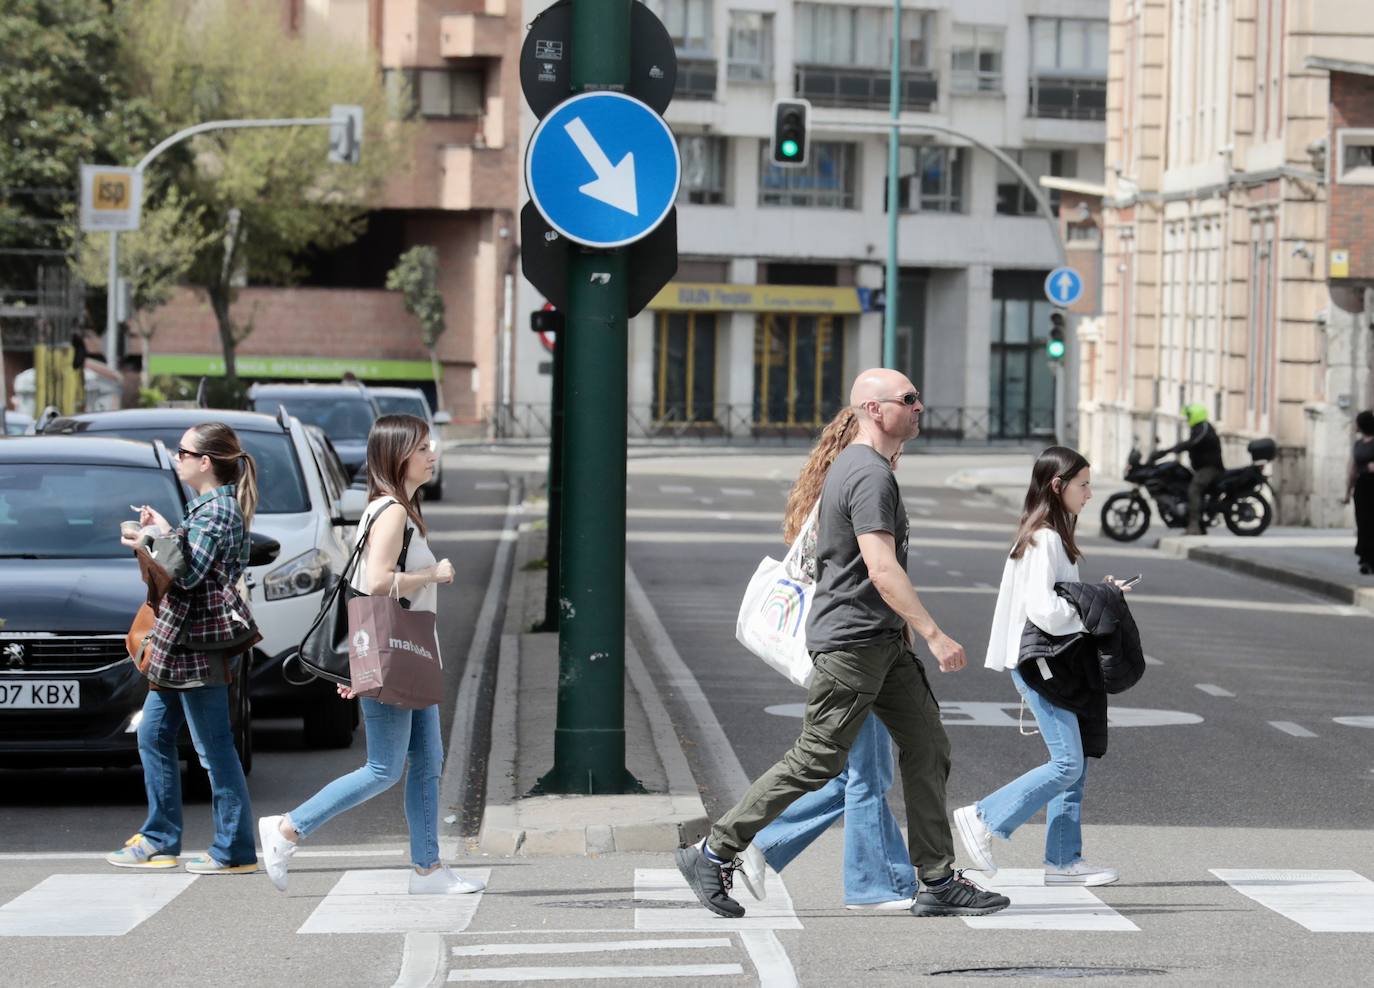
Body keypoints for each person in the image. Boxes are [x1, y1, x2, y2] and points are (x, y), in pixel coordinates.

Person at [677, 368, 1010, 920]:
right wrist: (933, 632)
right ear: (875, 410)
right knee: (816, 759)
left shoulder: (869, 468)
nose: (920, 406)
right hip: (852, 644)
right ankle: (712, 853)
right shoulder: (867, 474)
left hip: (881, 643)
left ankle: (936, 879)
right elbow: (881, 569)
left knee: (927, 746)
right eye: (909, 399)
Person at [256, 414, 483, 896]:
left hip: (408, 653)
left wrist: (365, 663)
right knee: (383, 768)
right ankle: (287, 829)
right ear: (399, 455)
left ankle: (428, 869)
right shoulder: (393, 512)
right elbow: (376, 584)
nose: (431, 454)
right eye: (422, 448)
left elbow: (364, 589)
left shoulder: (392, 507)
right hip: (400, 652)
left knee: (427, 761)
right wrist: (433, 576)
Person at [735, 408, 917, 912]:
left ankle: (893, 878)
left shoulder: (838, 485)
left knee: (855, 772)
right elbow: (869, 577)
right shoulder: (859, 488)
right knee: (864, 775)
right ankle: (867, 885)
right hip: (852, 650)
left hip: (854, 648)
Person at [953, 446, 1131, 887]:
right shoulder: (1045, 538)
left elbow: (1061, 597)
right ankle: (983, 818)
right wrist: (1095, 609)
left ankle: (1063, 860)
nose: (1090, 493)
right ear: (1058, 486)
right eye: (1084, 484)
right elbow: (1046, 610)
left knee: (1076, 763)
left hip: (1056, 660)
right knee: (1067, 763)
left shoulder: (1051, 534)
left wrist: (1098, 593)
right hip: (1040, 662)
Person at [107, 422, 261, 874]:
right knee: (153, 735)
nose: (178, 459)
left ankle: (233, 849)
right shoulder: (204, 509)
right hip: (178, 645)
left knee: (214, 749)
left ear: (205, 462)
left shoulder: (219, 512)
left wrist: (150, 539)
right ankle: (160, 839)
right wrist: (166, 531)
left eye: (183, 452)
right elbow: (190, 559)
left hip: (197, 646)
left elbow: (190, 576)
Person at [1156, 403, 1223, 535]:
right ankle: (1199, 523)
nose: (1187, 418)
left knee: (1194, 489)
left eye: (1189, 415)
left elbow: (1193, 443)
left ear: (1196, 415)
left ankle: (1194, 526)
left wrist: (1174, 449)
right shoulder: (1198, 428)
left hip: (1210, 468)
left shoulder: (1204, 428)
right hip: (1201, 468)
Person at [1344, 410, 1374, 575]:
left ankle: (1371, 559)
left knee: (1372, 522)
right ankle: (1365, 558)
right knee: (1363, 523)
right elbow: (1352, 469)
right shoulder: (1358, 444)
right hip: (1362, 486)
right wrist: (1348, 491)